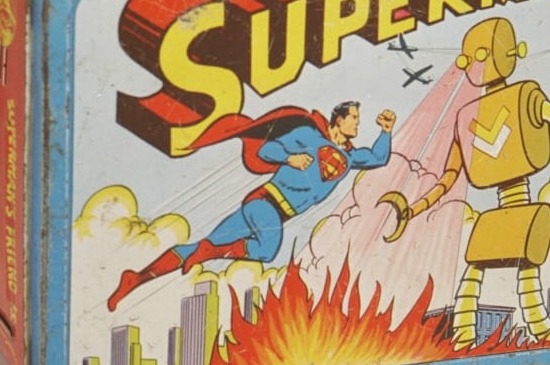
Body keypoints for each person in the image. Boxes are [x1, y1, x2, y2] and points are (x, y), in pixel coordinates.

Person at [107, 101, 396, 311]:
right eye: (353, 118)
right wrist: (289, 158)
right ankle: (208, 251)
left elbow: (378, 158)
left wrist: (386, 131)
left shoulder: (351, 157)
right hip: (266, 203)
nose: (357, 124)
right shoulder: (309, 136)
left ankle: (136, 278)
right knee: (267, 250)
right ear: (338, 120)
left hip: (268, 212)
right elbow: (267, 149)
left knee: (196, 249)